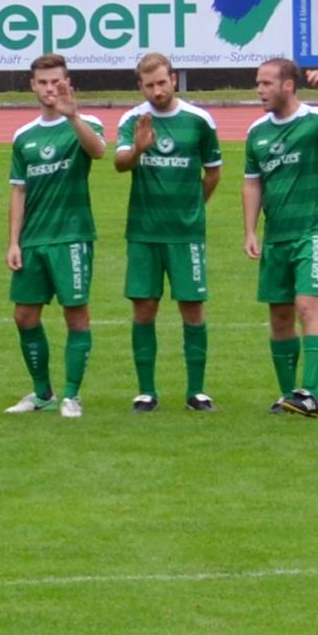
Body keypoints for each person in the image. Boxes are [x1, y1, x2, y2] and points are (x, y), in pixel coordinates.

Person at [111, 51, 221, 412]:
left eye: (162, 82)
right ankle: (146, 391)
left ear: (173, 79)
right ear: (140, 86)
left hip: (186, 235)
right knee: (144, 309)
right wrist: (138, 150)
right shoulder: (133, 119)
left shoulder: (199, 120)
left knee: (193, 309)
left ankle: (197, 391)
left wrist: (192, 208)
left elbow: (213, 172)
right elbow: (119, 163)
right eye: (149, 85)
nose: (157, 91)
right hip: (143, 233)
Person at [0, 54, 108, 417]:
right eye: (42, 82)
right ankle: (43, 393)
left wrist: (72, 116)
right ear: (32, 85)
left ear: (67, 82)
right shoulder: (23, 136)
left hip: (72, 237)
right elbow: (19, 191)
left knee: (76, 316)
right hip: (33, 239)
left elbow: (99, 152)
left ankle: (72, 396)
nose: (49, 88)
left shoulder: (85, 122)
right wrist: (14, 242)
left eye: (55, 81)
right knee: (24, 316)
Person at [239, 57, 318, 416]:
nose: (259, 90)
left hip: (313, 231)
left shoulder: (315, 121)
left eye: (266, 83)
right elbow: (252, 183)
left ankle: (311, 393)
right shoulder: (257, 132)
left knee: (307, 306)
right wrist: (250, 230)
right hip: (276, 237)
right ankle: (289, 395)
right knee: (280, 317)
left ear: (288, 85)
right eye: (258, 83)